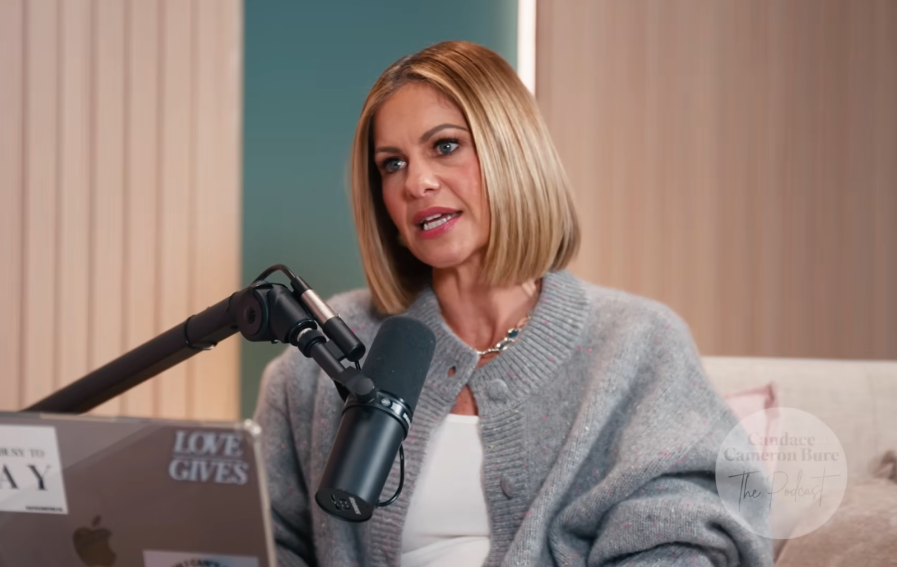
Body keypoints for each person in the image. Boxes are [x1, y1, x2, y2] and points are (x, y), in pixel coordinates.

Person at [254, 41, 772, 567]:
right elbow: (263, 543)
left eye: (446, 146)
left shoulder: (637, 343)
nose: (417, 182)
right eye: (392, 163)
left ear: (511, 152)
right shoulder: (322, 356)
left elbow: (687, 533)